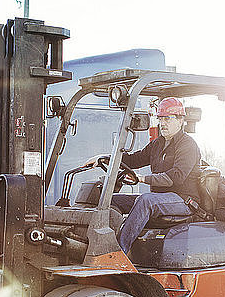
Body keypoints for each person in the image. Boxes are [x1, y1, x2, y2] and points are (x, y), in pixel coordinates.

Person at [86, 97, 202, 254]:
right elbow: (133, 160)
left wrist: (142, 178)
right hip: (160, 199)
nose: (163, 123)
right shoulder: (158, 143)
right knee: (111, 199)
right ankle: (96, 245)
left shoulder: (187, 145)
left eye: (167, 119)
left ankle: (118, 253)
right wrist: (103, 157)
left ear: (180, 120)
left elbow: (176, 176)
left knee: (145, 200)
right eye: (160, 118)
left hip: (183, 200)